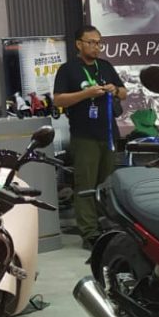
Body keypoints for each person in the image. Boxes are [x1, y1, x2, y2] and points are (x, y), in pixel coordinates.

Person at [52, 25, 125, 242]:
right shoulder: (68, 69)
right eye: (91, 42)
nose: (96, 47)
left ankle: (108, 227)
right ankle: (90, 233)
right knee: (85, 185)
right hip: (84, 136)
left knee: (108, 184)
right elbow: (58, 99)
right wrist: (86, 93)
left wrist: (114, 90)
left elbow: (124, 92)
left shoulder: (105, 66)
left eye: (99, 42)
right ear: (79, 44)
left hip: (108, 133)